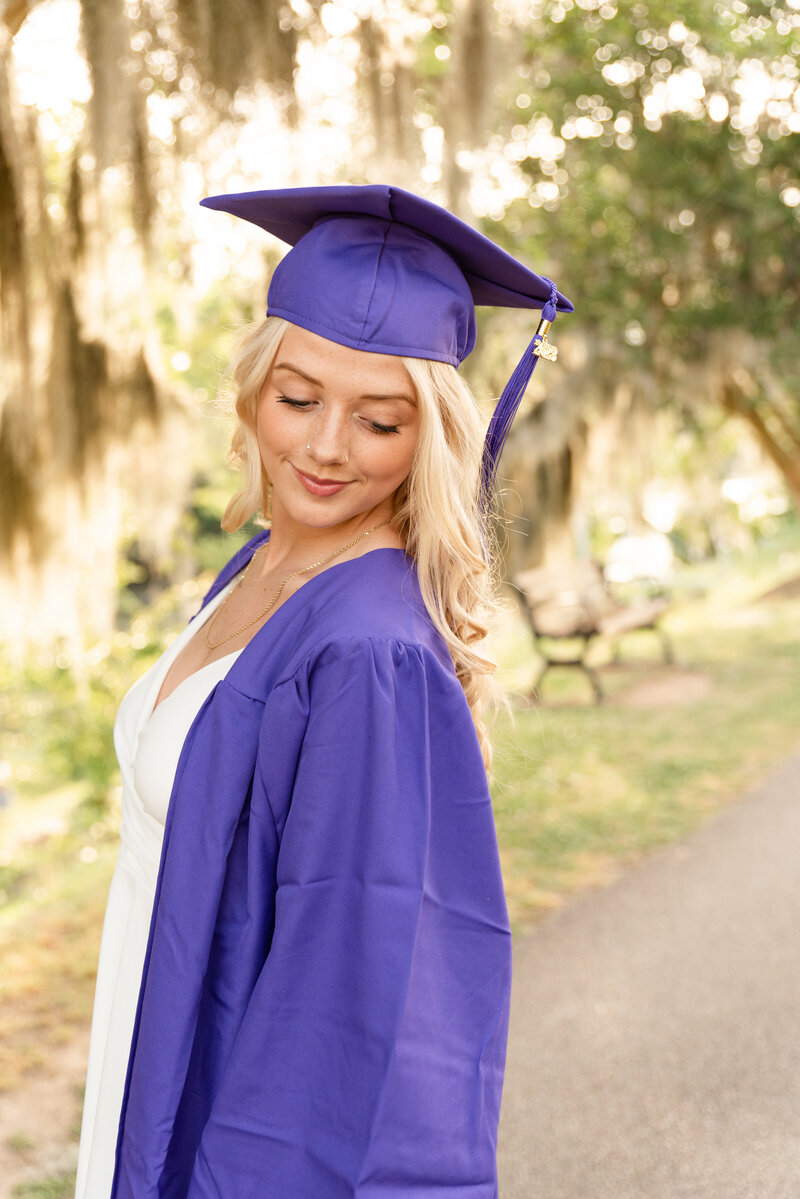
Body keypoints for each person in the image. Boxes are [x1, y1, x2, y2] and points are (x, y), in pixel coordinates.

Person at [74, 183, 572, 1199]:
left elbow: (344, 981)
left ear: (423, 437)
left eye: (378, 419)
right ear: (252, 391)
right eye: (298, 398)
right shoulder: (256, 568)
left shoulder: (366, 646)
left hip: (220, 1093)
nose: (327, 445)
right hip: (143, 1028)